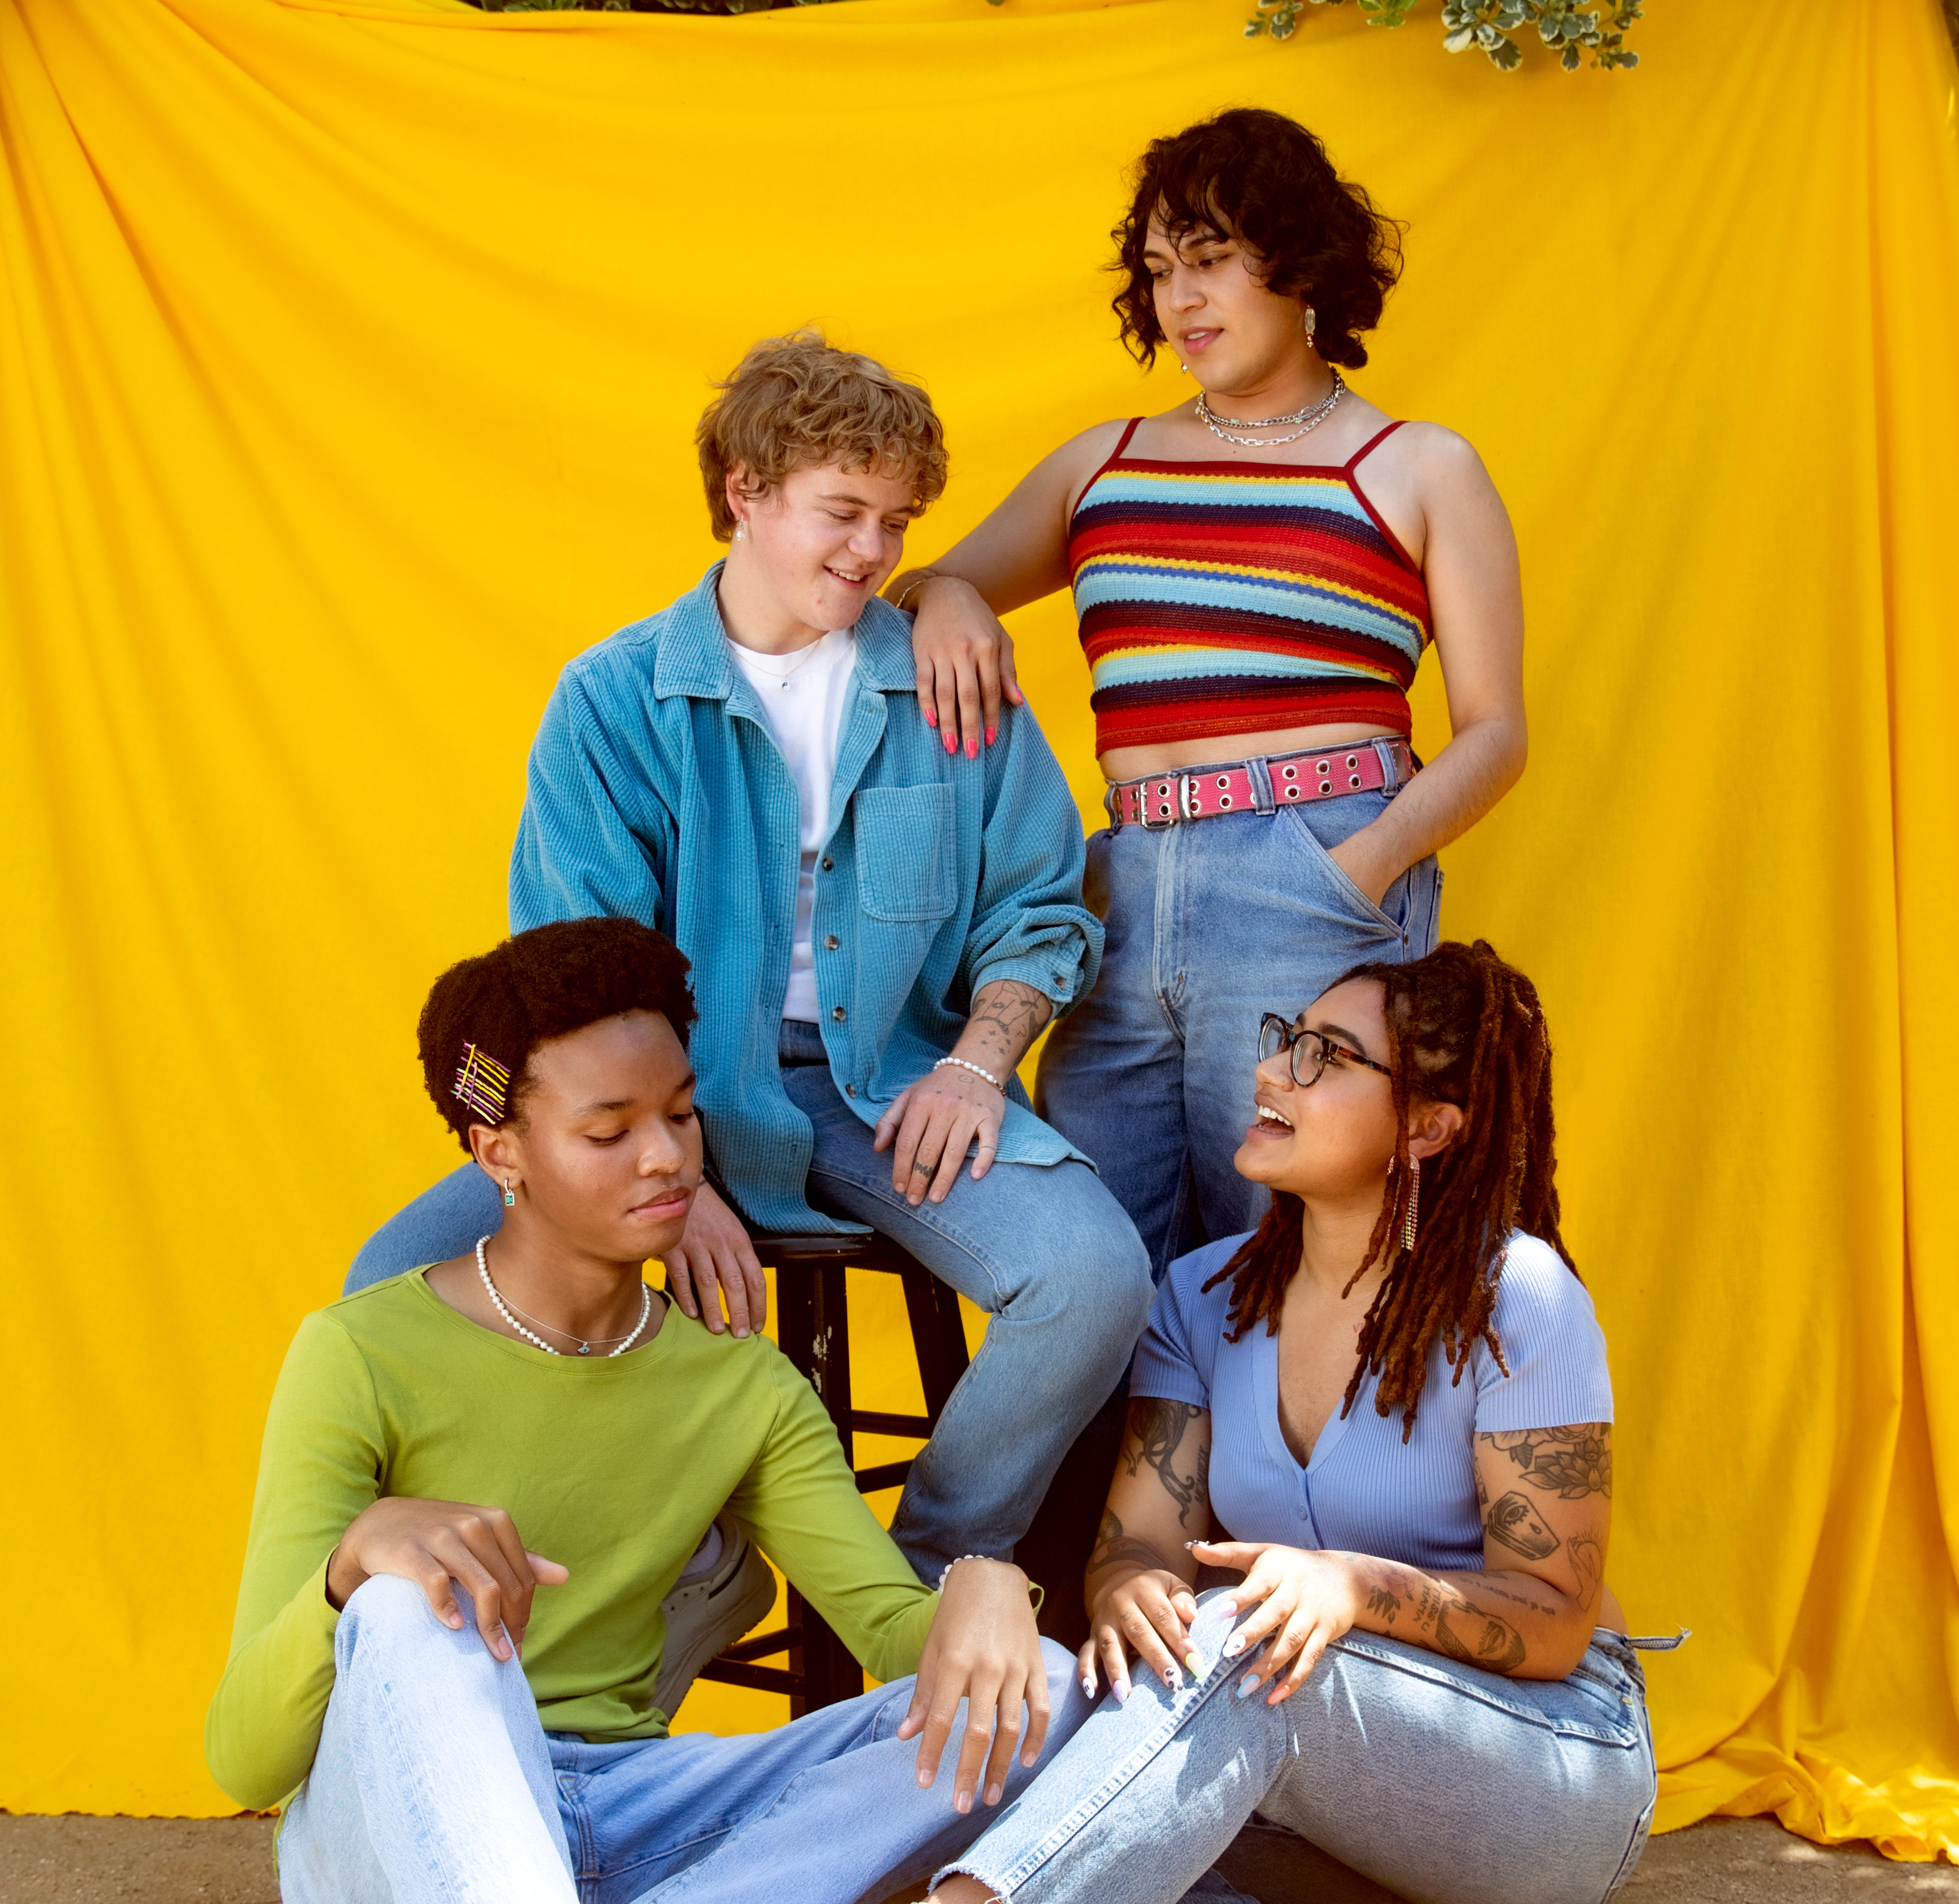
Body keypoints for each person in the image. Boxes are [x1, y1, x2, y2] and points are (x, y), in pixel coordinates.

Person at [343, 333, 1155, 1636]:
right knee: (387, 1283)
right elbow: (574, 973)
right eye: (842, 512)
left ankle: (909, 1588)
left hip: (889, 1089)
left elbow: (1043, 909)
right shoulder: (614, 699)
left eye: (896, 524)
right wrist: (684, 1166)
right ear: (744, 493)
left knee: (1097, 1274)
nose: (870, 552)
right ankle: (654, 1568)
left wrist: (974, 1061)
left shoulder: (952, 686)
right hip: (667, 1098)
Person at [208, 918, 1090, 1903]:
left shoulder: (739, 1388)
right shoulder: (359, 1355)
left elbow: (891, 1637)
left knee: (1043, 1691)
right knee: (408, 1611)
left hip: (630, 1815)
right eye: (608, 1131)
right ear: (500, 1153)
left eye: (681, 1116)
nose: (667, 1159)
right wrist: (354, 1561)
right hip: (395, 1819)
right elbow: (246, 1761)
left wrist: (989, 1587)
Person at [883, 108, 1529, 1279]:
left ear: (1301, 265)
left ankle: (1310, 1473)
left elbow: (1494, 735)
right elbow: (920, 588)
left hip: (1313, 870)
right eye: (1161, 270)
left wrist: (1357, 871)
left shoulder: (1419, 467)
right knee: (1098, 1270)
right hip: (1119, 893)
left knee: (1296, 1255)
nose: (1182, 299)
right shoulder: (1104, 464)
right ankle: (1116, 1478)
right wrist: (953, 597)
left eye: (1214, 258)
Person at [922, 941, 1682, 1904]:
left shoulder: (1518, 1298)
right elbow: (1143, 1542)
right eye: (1288, 1040)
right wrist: (1132, 1597)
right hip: (1319, 1776)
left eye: (1328, 1054)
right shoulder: (1204, 1296)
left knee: (1244, 1642)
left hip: (1550, 1763)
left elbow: (1555, 1619)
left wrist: (1353, 1587)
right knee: (1107, 1711)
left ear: (1428, 1129)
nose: (1271, 1070)